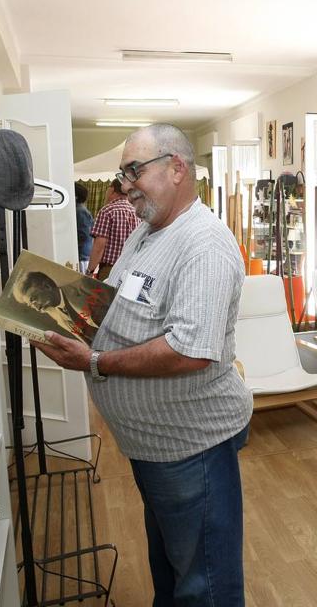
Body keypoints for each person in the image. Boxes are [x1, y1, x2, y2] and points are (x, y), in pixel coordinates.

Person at [33, 123, 252, 606]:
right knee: (172, 570)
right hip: (153, 445)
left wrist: (94, 361)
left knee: (205, 584)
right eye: (122, 172)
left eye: (135, 170)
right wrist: (67, 310)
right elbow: (120, 300)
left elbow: (190, 350)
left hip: (190, 447)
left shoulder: (205, 246)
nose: (125, 184)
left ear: (177, 168)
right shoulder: (145, 231)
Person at [12, 269, 100, 344]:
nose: (37, 308)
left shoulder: (84, 286)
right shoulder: (57, 316)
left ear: (47, 286)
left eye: (34, 299)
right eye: (31, 305)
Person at [85, 179, 140, 280]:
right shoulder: (136, 211)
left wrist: (90, 271)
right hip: (130, 268)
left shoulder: (107, 211)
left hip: (110, 269)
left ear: (112, 189)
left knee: (105, 295)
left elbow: (99, 246)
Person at [75, 182, 94, 266]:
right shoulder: (80, 210)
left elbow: (84, 234)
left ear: (75, 196)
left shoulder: (80, 211)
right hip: (82, 254)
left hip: (81, 256)